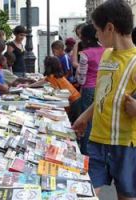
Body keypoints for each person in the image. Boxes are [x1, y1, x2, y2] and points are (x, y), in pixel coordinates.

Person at [72, 0, 136, 199]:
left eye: (98, 30)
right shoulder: (107, 55)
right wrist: (84, 116)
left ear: (110, 28)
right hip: (97, 141)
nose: (96, 35)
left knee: (126, 194)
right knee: (86, 192)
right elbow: (102, 95)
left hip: (124, 144)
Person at [77, 23, 105, 154]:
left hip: (88, 89)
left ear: (85, 38)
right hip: (102, 89)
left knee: (86, 122)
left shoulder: (85, 54)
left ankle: (85, 151)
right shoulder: (106, 51)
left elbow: (81, 78)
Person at [28, 56, 81, 124]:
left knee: (72, 122)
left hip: (73, 100)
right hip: (76, 98)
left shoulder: (52, 77)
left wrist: (29, 86)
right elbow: (42, 81)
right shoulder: (55, 76)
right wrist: (29, 86)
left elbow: (57, 94)